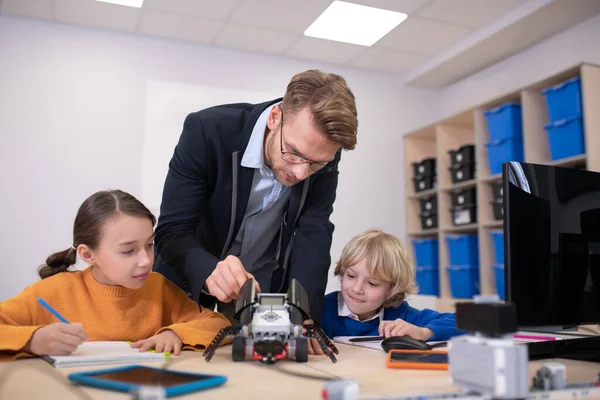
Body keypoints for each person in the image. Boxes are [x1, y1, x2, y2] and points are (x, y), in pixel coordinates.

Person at [153, 70, 358, 337]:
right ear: (275, 117)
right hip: (189, 284)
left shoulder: (323, 151)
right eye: (294, 153)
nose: (300, 173)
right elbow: (172, 231)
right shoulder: (207, 131)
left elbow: (314, 233)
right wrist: (209, 271)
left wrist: (305, 319)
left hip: (259, 295)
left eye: (317, 164)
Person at [0, 190, 230, 361]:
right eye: (128, 250)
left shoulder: (158, 288)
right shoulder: (52, 291)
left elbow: (219, 323)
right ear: (88, 254)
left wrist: (176, 333)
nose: (146, 260)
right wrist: (34, 340)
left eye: (150, 245)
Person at [321, 229, 464, 341]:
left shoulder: (399, 314)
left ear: (391, 289)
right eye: (351, 276)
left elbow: (464, 322)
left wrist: (424, 332)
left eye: (372, 283)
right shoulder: (321, 309)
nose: (357, 289)